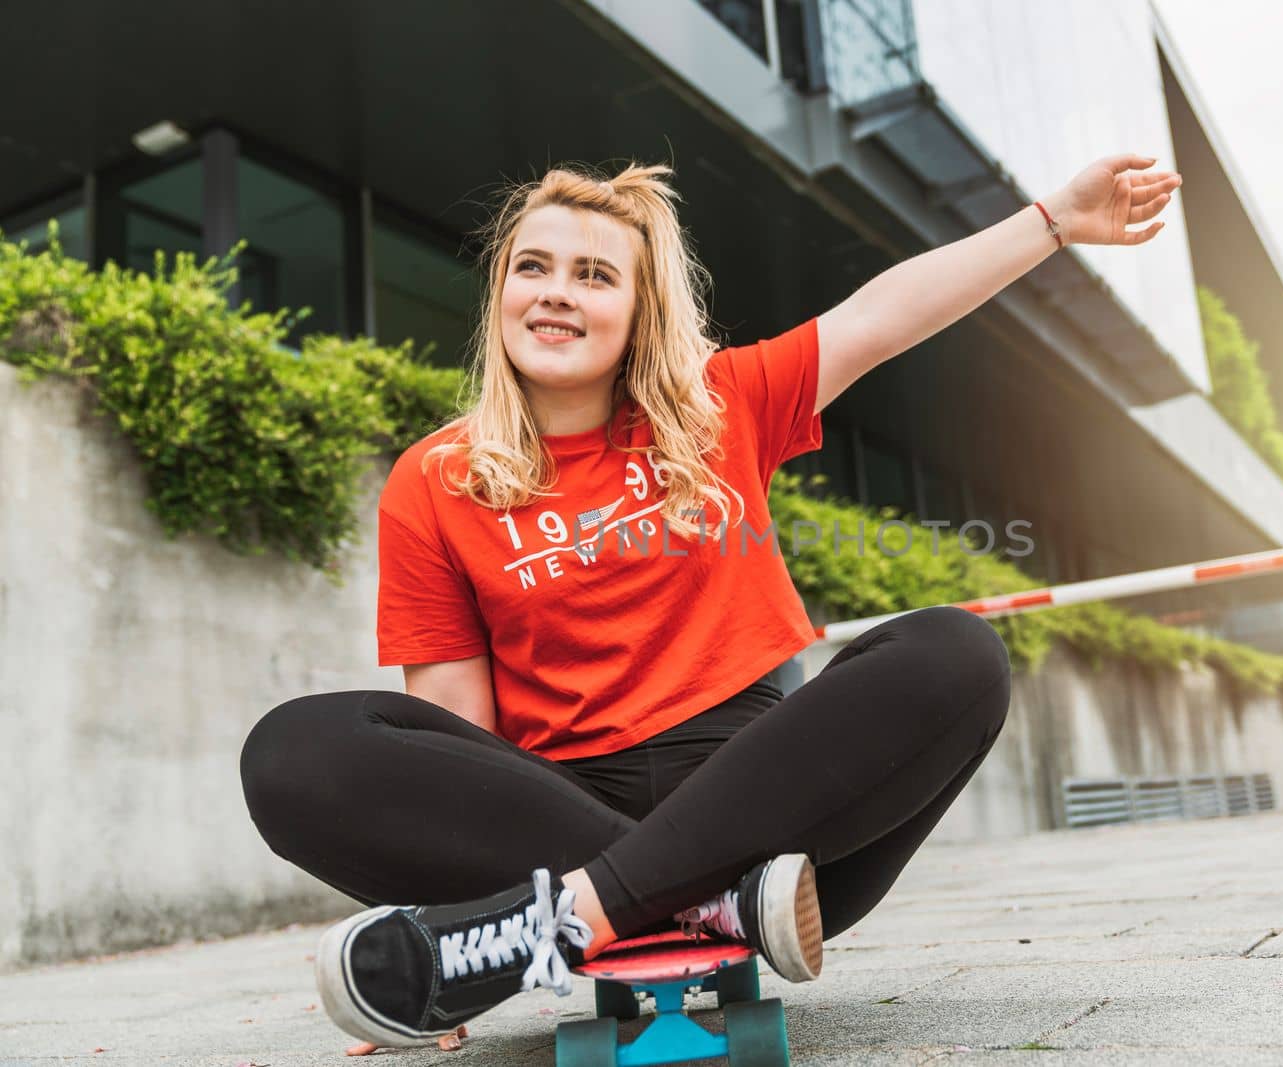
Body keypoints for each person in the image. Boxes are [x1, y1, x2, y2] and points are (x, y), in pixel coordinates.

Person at [239, 154, 1180, 1055]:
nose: (557, 289)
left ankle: (558, 925)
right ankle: (697, 905)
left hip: (774, 813)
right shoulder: (434, 480)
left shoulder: (718, 407)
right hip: (630, 835)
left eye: (595, 274)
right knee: (290, 751)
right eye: (533, 266)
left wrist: (1054, 221)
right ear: (501, 294)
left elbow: (884, 315)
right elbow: (453, 733)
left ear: (639, 311)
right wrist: (442, 895)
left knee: (955, 652)